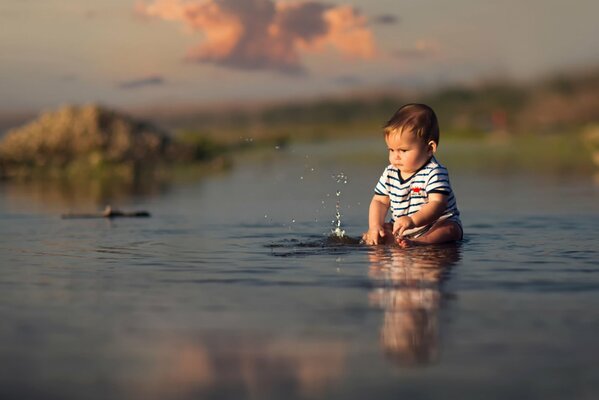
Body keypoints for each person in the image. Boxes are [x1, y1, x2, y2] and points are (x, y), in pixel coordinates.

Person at [362, 103, 463, 246]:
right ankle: (391, 240)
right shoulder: (390, 173)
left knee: (449, 228)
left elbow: (437, 203)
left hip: (433, 225)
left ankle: (422, 242)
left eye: (403, 150)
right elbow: (380, 201)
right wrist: (375, 226)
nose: (396, 156)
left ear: (429, 148)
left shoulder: (434, 172)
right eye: (391, 150)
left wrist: (413, 220)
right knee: (382, 229)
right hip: (403, 227)